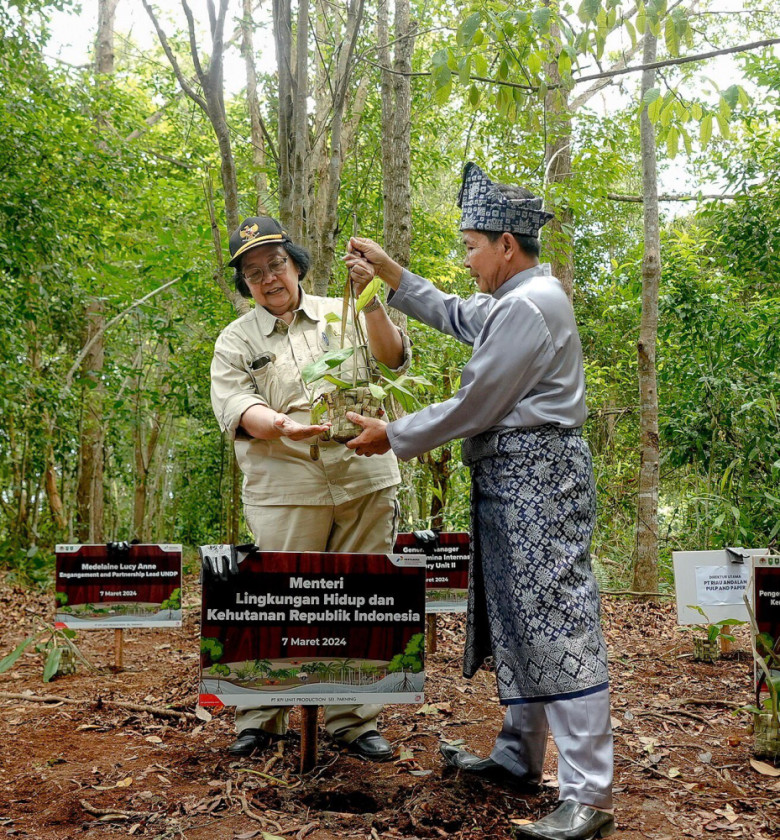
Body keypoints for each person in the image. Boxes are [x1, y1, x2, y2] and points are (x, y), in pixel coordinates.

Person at [343, 163, 615, 840]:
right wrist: (393, 274)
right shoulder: (518, 296)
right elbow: (458, 315)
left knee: (557, 624)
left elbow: (478, 401)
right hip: (510, 482)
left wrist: (394, 435)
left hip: (539, 483)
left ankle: (589, 795)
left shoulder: (528, 304)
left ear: (506, 246)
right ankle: (518, 760)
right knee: (519, 622)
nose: (465, 260)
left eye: (470, 245)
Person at [209, 215, 411, 761]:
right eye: (253, 273)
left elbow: (393, 359)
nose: (268, 277)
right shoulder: (236, 339)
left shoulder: (342, 309)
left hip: (363, 477)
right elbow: (236, 406)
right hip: (285, 484)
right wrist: (281, 425)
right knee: (277, 600)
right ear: (245, 285)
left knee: (363, 598)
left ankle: (354, 720)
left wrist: (370, 298)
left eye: (276, 263)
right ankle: (261, 719)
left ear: (295, 263)